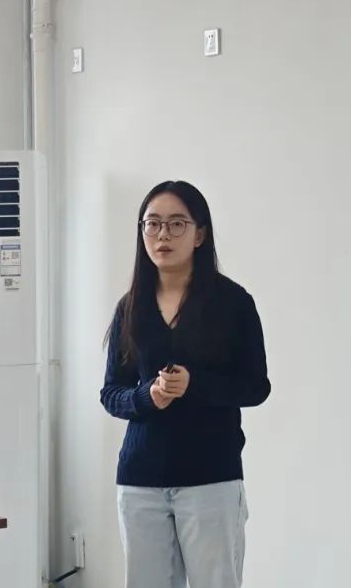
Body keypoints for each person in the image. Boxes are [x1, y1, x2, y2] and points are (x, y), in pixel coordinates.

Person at [100, 181, 271, 588]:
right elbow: (111, 393)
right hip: (140, 479)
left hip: (211, 477)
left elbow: (255, 387)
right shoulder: (131, 306)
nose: (163, 234)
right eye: (152, 223)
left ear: (200, 234)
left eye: (177, 223)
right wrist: (147, 396)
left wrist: (195, 385)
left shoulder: (233, 303)